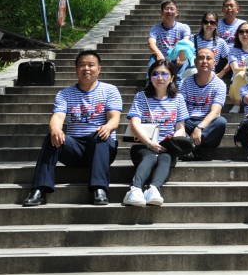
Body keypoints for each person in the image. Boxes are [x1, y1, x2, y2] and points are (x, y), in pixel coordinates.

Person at [22, 50, 122, 207]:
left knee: (99, 136)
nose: (86, 69)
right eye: (82, 65)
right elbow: (57, 117)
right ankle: (39, 190)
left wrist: (108, 127)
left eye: (91, 65)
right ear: (76, 69)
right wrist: (55, 129)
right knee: (51, 137)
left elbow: (115, 118)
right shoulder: (65, 94)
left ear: (99, 69)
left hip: (101, 147)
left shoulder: (110, 90)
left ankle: (99, 189)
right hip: (75, 148)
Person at [123, 60, 189, 207]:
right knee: (150, 156)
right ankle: (135, 190)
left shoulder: (178, 99)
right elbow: (134, 124)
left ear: (171, 77)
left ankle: (153, 189)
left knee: (166, 158)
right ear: (150, 77)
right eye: (155, 74)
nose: (159, 77)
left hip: (166, 147)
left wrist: (173, 140)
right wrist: (150, 143)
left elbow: (181, 127)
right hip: (142, 145)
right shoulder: (141, 96)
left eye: (164, 74)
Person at [178, 48, 227, 161]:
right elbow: (180, 108)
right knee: (173, 119)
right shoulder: (186, 82)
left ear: (214, 63)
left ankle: (188, 146)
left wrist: (199, 127)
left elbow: (215, 112)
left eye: (208, 58)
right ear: (195, 62)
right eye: (201, 58)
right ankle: (196, 149)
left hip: (207, 124)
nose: (204, 61)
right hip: (188, 121)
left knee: (221, 122)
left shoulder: (220, 85)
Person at [147, 0, 190, 66]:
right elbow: (151, 43)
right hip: (162, 57)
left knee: (186, 57)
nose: (169, 11)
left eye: (172, 9)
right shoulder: (155, 29)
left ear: (176, 13)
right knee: (153, 58)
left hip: (178, 57)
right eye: (166, 9)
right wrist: (159, 54)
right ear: (161, 12)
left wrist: (181, 53)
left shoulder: (184, 27)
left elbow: (186, 41)